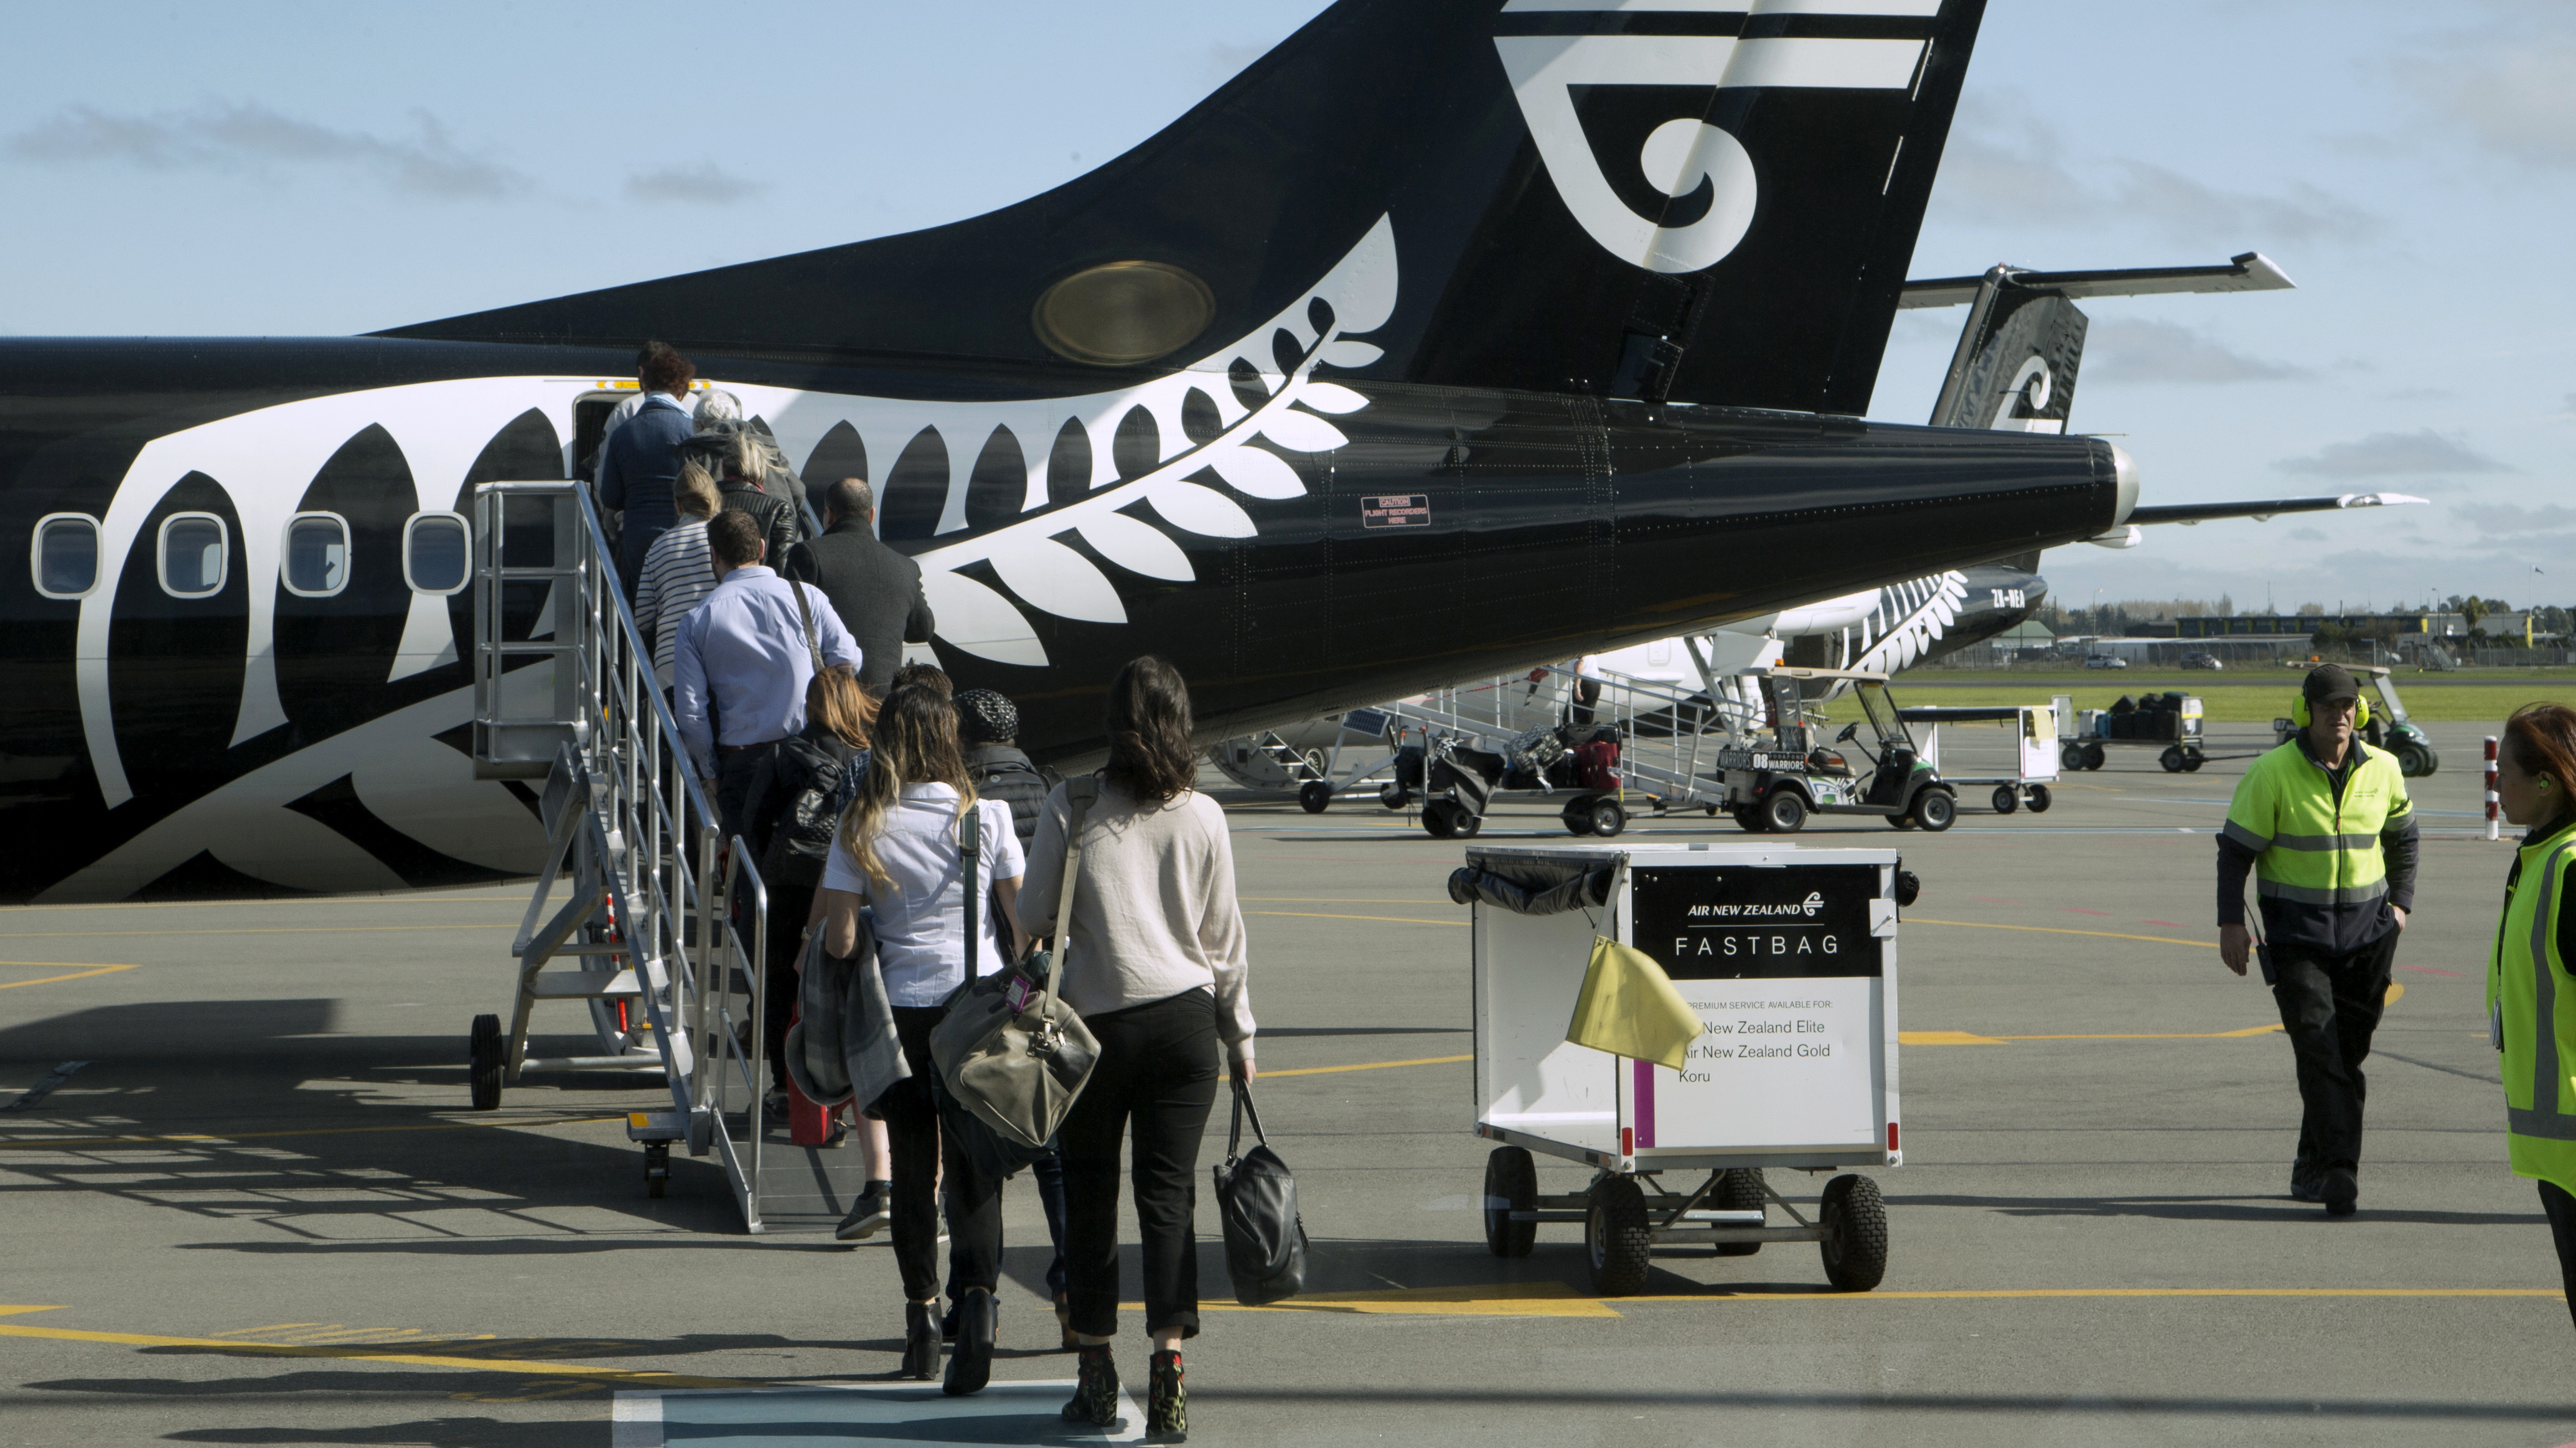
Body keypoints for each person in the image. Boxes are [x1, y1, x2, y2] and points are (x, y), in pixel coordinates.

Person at [1019, 656, 1255, 1441]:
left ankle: (1094, 1373)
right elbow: (1225, 943)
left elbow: (1028, 914)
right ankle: (1170, 1380)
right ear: (1180, 721)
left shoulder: (1073, 801)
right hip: (1186, 1024)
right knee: (1169, 1197)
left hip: (1095, 1029)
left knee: (1089, 1194)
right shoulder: (1204, 815)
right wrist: (1240, 1035)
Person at [817, 685, 1025, 1394]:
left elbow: (841, 939)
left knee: (913, 1167)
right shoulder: (985, 816)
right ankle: (979, 1304)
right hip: (975, 1007)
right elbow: (1021, 926)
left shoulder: (861, 823)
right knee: (976, 1169)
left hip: (899, 1013)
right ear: (949, 741)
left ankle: (919, 1317)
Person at [2218, 663, 2419, 1217]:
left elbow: (2403, 838)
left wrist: (2400, 904)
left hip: (2368, 939)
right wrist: (2229, 922)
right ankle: (2338, 1171)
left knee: (2343, 1055)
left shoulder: (2384, 769)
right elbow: (2235, 852)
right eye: (2329, 706)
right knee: (2317, 1045)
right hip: (2295, 939)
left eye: (2349, 706)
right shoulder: (2272, 773)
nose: (2340, 715)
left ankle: (2311, 1164)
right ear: (2307, 711)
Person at [953, 688, 1074, 1345]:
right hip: (1046, 989)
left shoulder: (964, 797)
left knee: (977, 1149)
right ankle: (1066, 1288)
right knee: (1051, 1146)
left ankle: (974, 1296)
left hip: (982, 992)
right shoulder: (1051, 786)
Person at [672, 511, 860, 843]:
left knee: (750, 877)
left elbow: (691, 713)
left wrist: (712, 773)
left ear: (714, 555)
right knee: (811, 868)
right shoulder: (806, 596)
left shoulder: (696, 619)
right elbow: (848, 659)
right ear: (761, 546)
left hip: (743, 765)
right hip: (810, 758)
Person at [2486, 703, 2576, 1329]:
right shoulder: (2538, 857)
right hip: (2556, 1146)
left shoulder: (2568, 867)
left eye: (2506, 773)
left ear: (2545, 782)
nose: (2497, 784)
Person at [783, 477, 938, 696]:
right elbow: (922, 630)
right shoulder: (906, 567)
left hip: (832, 703)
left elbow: (789, 626)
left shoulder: (808, 554)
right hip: (884, 704)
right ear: (872, 514)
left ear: (828, 514)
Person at [597, 346, 697, 603]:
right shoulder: (693, 432)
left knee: (642, 614)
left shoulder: (623, 434)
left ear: (645, 387)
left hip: (638, 539)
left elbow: (609, 495)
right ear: (681, 391)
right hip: (684, 537)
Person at [632, 462, 725, 691]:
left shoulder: (659, 546)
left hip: (671, 660)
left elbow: (643, 617)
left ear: (678, 504)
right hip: (721, 651)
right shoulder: (725, 538)